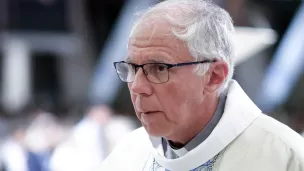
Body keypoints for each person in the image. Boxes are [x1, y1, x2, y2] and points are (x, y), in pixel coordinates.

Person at [100, 0, 304, 170]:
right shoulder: (127, 155)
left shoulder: (284, 158)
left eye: (159, 68)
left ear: (214, 76)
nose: (137, 87)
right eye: (133, 68)